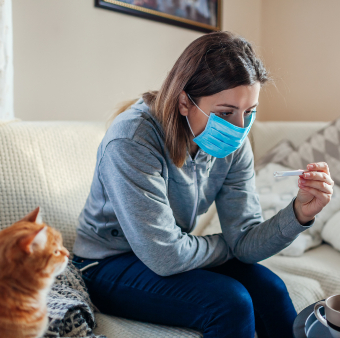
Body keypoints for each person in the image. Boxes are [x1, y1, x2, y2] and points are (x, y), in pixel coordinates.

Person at [72, 31, 334, 338]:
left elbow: (245, 244)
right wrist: (232, 244)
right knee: (229, 302)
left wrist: (299, 213)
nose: (239, 129)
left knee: (271, 290)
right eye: (225, 113)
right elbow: (168, 256)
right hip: (106, 265)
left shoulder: (234, 145)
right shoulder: (132, 141)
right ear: (185, 102)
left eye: (249, 112)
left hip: (168, 253)